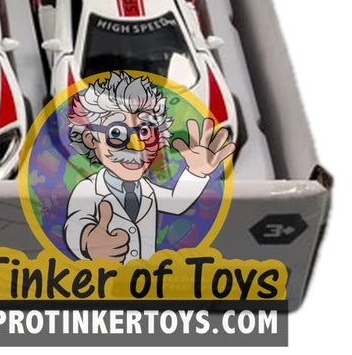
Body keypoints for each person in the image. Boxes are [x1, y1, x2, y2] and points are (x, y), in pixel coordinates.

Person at [63, 71, 234, 262]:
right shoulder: (88, 189)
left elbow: (177, 203)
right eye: (117, 133)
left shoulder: (145, 188)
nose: (136, 145)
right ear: (90, 138)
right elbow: (76, 225)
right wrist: (87, 242)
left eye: (145, 131)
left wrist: (195, 173)